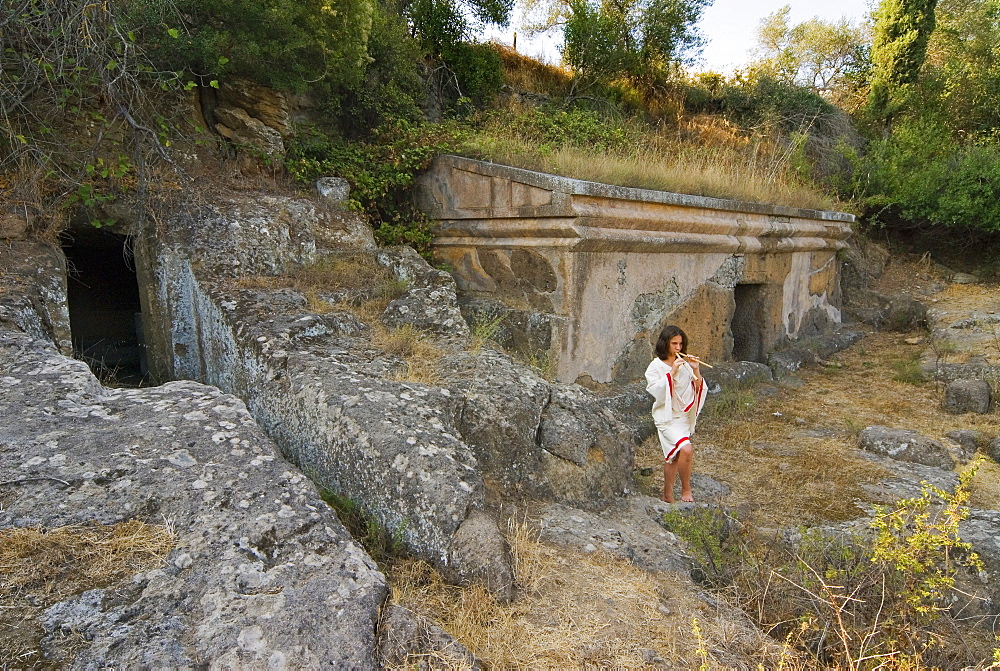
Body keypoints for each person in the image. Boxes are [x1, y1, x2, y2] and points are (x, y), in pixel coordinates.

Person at [644, 325, 706, 503]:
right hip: (666, 418)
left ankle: (667, 495)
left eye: (680, 344)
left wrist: (695, 369)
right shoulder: (655, 366)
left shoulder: (685, 364)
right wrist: (672, 373)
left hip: (682, 418)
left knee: (673, 456)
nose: (678, 348)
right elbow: (655, 391)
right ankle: (686, 490)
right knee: (686, 449)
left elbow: (697, 388)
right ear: (665, 344)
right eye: (674, 344)